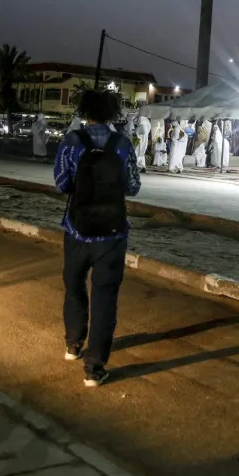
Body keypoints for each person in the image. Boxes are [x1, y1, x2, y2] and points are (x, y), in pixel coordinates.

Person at [53, 89, 140, 387]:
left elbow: (61, 183)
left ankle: (73, 344)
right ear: (112, 112)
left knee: (74, 287)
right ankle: (94, 368)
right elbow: (133, 186)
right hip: (112, 234)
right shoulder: (123, 144)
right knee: (105, 296)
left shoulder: (72, 141)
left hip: (76, 230)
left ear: (85, 111)